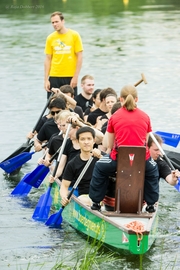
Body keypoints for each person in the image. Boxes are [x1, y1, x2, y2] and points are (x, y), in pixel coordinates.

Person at [89, 84, 159, 213]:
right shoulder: (145, 116)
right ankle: (150, 205)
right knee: (153, 170)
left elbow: (109, 144)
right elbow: (145, 141)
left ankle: (95, 203)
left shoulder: (114, 117)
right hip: (141, 161)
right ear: (136, 99)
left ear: (120, 99)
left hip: (118, 160)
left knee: (99, 167)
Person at [58, 126, 102, 207]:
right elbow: (64, 186)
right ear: (78, 141)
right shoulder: (72, 164)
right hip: (86, 197)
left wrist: (101, 158)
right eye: (82, 139)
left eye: (89, 139)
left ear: (94, 141)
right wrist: (64, 197)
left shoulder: (102, 157)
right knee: (83, 200)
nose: (86, 142)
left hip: (104, 197)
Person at [44, 11, 83, 98]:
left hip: (69, 76)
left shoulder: (74, 35)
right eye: (52, 22)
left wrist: (75, 77)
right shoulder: (50, 38)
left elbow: (79, 56)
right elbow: (48, 59)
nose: (54, 24)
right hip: (54, 76)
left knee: (71, 105)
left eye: (56, 21)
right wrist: (46, 80)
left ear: (63, 21)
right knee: (53, 105)